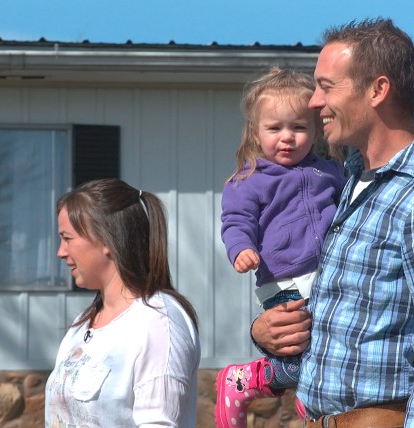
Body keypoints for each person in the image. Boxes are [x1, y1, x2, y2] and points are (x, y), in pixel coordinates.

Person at [251, 18, 414, 427]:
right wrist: (266, 333)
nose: (312, 101)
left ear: (378, 90)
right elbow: (344, 320)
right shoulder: (348, 180)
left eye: (327, 86)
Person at [216, 67, 346, 427]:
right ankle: (243, 380)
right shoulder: (249, 179)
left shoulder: (330, 172)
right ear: (256, 132)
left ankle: (310, 391)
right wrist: (240, 249)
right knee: (294, 352)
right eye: (275, 128)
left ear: (316, 129)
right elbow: (236, 222)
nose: (287, 138)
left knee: (328, 346)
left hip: (326, 277)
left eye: (298, 128)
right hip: (283, 281)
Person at [45, 179, 200, 427]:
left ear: (106, 239)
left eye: (67, 238)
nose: (60, 252)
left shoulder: (157, 321)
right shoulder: (81, 324)